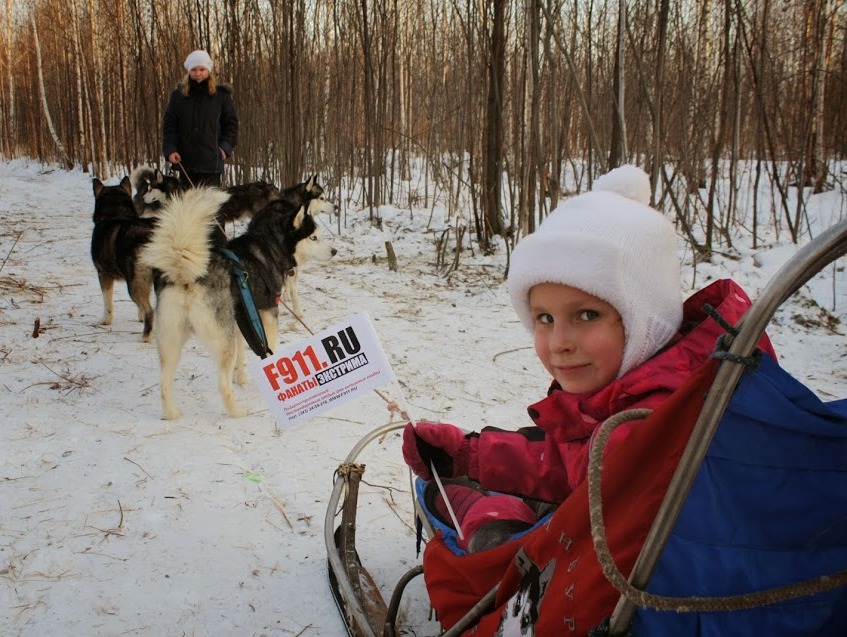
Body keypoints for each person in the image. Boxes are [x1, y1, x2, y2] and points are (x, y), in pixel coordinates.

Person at [402, 164, 776, 553]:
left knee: (464, 510)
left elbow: (555, 567)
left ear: (645, 320)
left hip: (609, 585)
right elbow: (572, 462)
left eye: (587, 315)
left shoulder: (646, 424)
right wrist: (470, 454)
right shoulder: (693, 377)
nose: (559, 342)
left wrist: (489, 518)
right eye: (544, 318)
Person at [162, 49, 239, 188]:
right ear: (188, 71)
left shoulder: (221, 96)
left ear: (208, 70)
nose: (198, 73)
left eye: (202, 69)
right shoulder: (178, 96)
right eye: (194, 69)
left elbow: (231, 125)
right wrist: (170, 149)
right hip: (185, 163)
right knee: (188, 208)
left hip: (211, 164)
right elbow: (169, 126)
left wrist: (224, 148)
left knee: (210, 208)